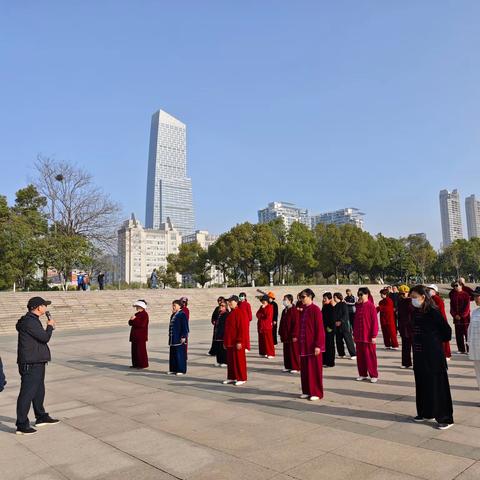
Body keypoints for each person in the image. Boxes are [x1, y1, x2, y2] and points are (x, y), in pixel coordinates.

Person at [410, 285, 454, 430]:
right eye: (411, 297)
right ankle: (425, 412)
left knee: (438, 386)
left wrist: (433, 340)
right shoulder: (415, 312)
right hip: (419, 354)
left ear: (423, 297)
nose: (412, 300)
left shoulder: (433, 312)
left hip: (433, 355)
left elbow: (446, 332)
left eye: (414, 297)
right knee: (422, 384)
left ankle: (445, 417)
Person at [16, 297, 59, 435]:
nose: (46, 308)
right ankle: (21, 424)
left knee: (39, 391)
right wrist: (50, 326)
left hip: (37, 361)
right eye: (44, 305)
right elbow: (45, 338)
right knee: (27, 393)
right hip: (31, 363)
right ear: (38, 307)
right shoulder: (30, 322)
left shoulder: (32, 320)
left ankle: (41, 416)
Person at [298, 288, 325, 401]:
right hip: (304, 345)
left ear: (310, 297)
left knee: (314, 370)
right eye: (301, 297)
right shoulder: (304, 310)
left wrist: (318, 345)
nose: (301, 299)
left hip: (313, 346)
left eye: (303, 297)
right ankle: (307, 390)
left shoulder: (315, 310)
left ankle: (316, 392)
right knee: (305, 370)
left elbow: (319, 329)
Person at [353, 287, 379, 383]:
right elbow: (355, 322)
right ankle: (362, 374)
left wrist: (374, 335)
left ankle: (374, 374)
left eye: (361, 294)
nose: (360, 296)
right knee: (360, 357)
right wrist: (354, 334)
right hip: (359, 336)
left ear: (367, 294)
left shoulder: (371, 306)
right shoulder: (358, 306)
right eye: (358, 294)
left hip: (368, 336)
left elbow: (374, 322)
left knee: (370, 356)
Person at [223, 295, 248, 386]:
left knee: (239, 360)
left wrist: (239, 341)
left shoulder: (240, 312)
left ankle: (242, 377)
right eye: (228, 302)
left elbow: (242, 328)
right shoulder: (230, 313)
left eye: (231, 301)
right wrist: (225, 341)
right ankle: (232, 377)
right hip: (230, 341)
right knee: (230, 361)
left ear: (236, 302)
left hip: (237, 341)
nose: (229, 303)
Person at [426, 284, 451, 361]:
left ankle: (446, 354)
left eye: (430, 289)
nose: (428, 291)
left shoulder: (436, 299)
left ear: (435, 291)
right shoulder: (431, 298)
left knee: (443, 339)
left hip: (440, 320)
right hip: (435, 321)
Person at [279, 294, 301, 373]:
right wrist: (280, 332)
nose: (284, 301)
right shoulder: (284, 311)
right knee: (287, 351)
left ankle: (295, 367)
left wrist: (295, 334)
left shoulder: (294, 310)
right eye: (283, 299)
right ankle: (288, 366)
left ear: (290, 301)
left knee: (293, 351)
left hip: (292, 335)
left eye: (285, 299)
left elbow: (296, 324)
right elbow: (281, 322)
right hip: (285, 334)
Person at [168, 300, 189, 375]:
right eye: (173, 305)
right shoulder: (173, 314)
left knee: (179, 354)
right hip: (173, 338)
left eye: (175, 305)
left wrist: (183, 336)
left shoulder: (182, 314)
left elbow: (185, 326)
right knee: (173, 354)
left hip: (179, 337)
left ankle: (181, 370)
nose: (173, 307)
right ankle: (173, 369)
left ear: (179, 306)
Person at [333, 293, 356, 360]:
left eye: (335, 297)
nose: (334, 298)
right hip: (337, 326)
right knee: (338, 340)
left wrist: (340, 321)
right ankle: (341, 354)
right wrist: (335, 322)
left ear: (338, 297)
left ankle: (353, 354)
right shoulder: (335, 306)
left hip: (344, 326)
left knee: (348, 340)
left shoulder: (344, 305)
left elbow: (346, 315)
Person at [449, 281, 471, 354]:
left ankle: (469, 349)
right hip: (456, 319)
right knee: (458, 335)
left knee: (467, 334)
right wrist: (454, 315)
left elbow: (467, 308)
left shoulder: (466, 295)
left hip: (465, 319)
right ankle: (461, 349)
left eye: (456, 285)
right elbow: (451, 308)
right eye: (454, 286)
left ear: (461, 286)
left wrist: (461, 315)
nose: (455, 287)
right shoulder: (453, 295)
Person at [128, 300, 149, 369]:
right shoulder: (137, 314)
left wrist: (134, 320)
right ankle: (135, 364)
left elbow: (142, 325)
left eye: (137, 306)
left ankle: (142, 364)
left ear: (141, 307)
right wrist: (132, 319)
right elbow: (130, 323)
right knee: (134, 351)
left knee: (141, 351)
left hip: (141, 336)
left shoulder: (145, 314)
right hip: (134, 336)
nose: (136, 308)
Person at [397, 285, 414, 368]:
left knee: (415, 346)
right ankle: (406, 363)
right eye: (401, 293)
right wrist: (398, 327)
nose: (403, 295)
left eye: (405, 293)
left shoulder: (412, 301)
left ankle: (417, 363)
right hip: (403, 327)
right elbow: (398, 316)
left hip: (412, 326)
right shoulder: (400, 302)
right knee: (405, 346)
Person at [468, 287, 480, 394]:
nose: (475, 298)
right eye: (475, 296)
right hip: (476, 350)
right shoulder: (475, 312)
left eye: (477, 296)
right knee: (479, 375)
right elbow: (470, 330)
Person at [213, 299, 229, 367]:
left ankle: (224, 361)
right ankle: (219, 361)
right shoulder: (219, 314)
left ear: (226, 307)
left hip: (223, 334)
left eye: (223, 306)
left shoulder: (227, 314)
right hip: (217, 334)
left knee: (223, 349)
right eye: (220, 306)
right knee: (218, 348)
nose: (221, 307)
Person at [321, 292, 336, 367]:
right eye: (323, 298)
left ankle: (330, 362)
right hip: (323, 328)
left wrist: (329, 328)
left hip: (329, 329)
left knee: (330, 345)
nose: (324, 300)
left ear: (330, 299)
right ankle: (324, 361)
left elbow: (332, 319)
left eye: (325, 298)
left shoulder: (331, 307)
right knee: (324, 345)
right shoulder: (324, 307)